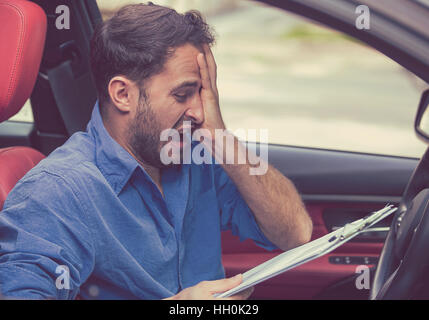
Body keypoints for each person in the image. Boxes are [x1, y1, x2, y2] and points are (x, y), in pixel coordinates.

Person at [0, 2, 312, 300]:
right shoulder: (58, 191)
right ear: (123, 94)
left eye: (204, 94)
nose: (200, 112)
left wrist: (220, 137)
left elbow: (295, 234)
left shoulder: (195, 153)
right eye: (183, 94)